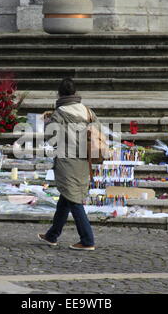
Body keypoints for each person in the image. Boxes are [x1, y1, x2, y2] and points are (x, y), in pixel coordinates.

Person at [38, 78, 98, 251]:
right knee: (66, 196)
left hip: (67, 160)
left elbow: (51, 138)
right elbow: (97, 130)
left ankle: (87, 240)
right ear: (74, 93)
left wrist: (47, 123)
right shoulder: (87, 111)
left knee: (74, 201)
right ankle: (52, 235)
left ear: (59, 94)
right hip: (84, 160)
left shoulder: (60, 113)